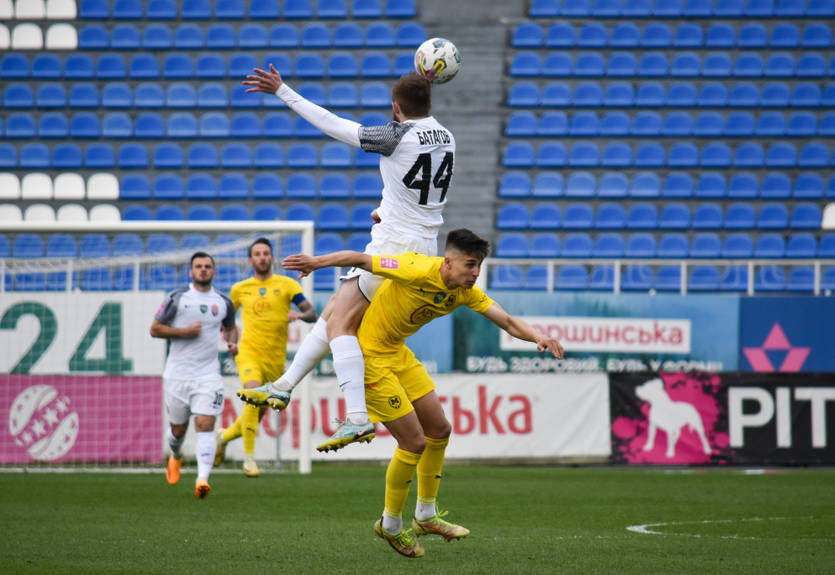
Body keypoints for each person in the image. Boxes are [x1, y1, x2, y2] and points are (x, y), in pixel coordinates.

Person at [280, 229, 564, 558]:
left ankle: (426, 516)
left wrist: (537, 337)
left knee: (440, 430)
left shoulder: (463, 291)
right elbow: (361, 259)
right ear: (448, 262)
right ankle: (390, 524)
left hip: (397, 354)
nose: (475, 273)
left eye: (479, 267)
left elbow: (507, 320)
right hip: (369, 359)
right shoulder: (415, 268)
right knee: (413, 442)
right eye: (470, 265)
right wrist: (317, 262)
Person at [240, 65, 456, 452]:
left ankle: (357, 418)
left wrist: (283, 91)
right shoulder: (447, 137)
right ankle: (284, 385)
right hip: (424, 246)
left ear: (395, 107)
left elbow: (335, 125)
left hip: (393, 247)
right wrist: (385, 211)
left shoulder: (395, 134)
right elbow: (415, 191)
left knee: (342, 323)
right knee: (333, 314)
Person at [214, 238, 317, 477]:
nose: (261, 257)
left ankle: (224, 437)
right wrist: (230, 340)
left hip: (275, 360)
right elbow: (228, 322)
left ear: (271, 258)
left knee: (258, 411)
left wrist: (299, 316)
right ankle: (249, 459)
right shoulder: (240, 288)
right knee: (252, 394)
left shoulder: (288, 285)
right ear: (250, 260)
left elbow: (312, 313)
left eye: (265, 253)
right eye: (257, 254)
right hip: (248, 353)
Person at [150, 252, 238, 499]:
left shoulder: (222, 301)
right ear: (191, 272)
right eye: (198, 266)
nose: (203, 270)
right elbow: (155, 329)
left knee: (205, 424)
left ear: (214, 272)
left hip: (208, 374)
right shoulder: (177, 298)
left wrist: (232, 343)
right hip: (177, 374)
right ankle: (176, 456)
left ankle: (202, 479)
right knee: (178, 430)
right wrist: (183, 332)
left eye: (208, 266)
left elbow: (231, 328)